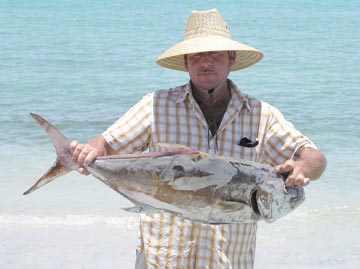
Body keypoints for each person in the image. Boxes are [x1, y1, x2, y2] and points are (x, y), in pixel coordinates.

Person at [70, 9, 327, 269]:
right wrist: (86, 153)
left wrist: (303, 168)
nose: (206, 62)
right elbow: (106, 144)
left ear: (231, 58)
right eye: (197, 55)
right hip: (161, 260)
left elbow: (313, 157)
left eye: (214, 54)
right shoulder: (155, 106)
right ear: (185, 62)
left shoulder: (262, 115)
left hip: (229, 261)